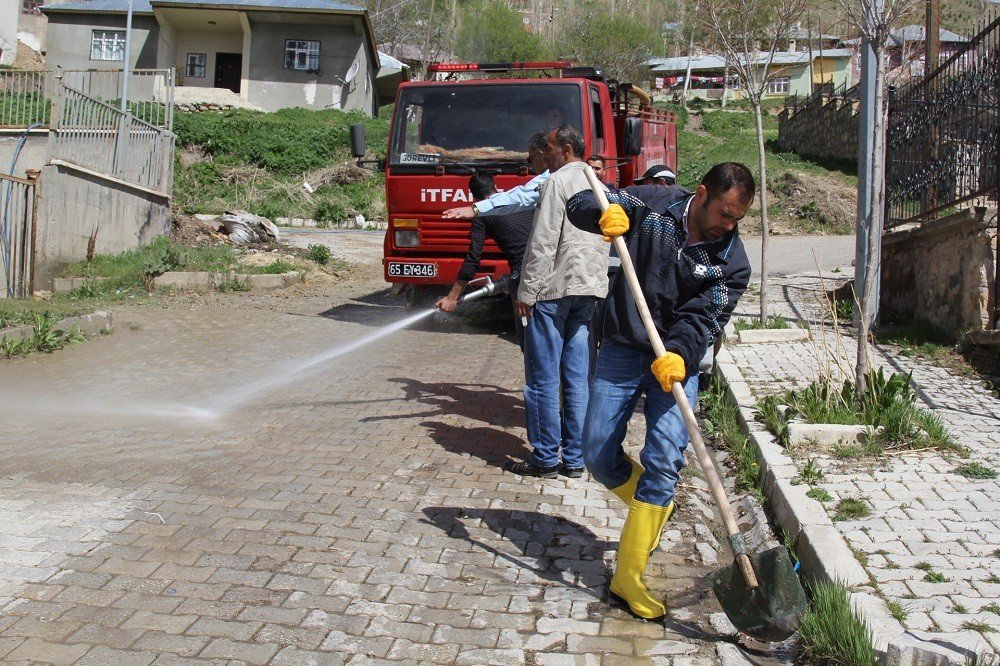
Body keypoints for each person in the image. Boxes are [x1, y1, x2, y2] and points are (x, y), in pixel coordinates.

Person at [566, 162, 754, 620]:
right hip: (624, 345)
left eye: (737, 219)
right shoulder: (653, 207)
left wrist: (679, 354)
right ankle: (650, 503)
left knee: (666, 457)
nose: (728, 225)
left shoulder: (732, 260)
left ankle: (628, 576)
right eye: (724, 213)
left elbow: (705, 318)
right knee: (594, 450)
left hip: (677, 361)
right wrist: (600, 215)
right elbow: (584, 201)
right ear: (703, 194)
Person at [511, 126, 610, 480]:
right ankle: (575, 459)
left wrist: (526, 293)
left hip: (553, 292)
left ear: (566, 149)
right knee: (577, 377)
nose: (545, 156)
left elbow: (543, 242)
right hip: (588, 291)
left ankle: (545, 457)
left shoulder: (558, 182)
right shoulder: (597, 181)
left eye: (549, 149)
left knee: (543, 377)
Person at [435, 173, 534, 328]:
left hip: (524, 275)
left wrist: (452, 297)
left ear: (474, 197)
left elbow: (473, 259)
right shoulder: (518, 200)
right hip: (549, 267)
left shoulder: (482, 213)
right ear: (495, 187)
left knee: (529, 335)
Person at [441, 132, 550, 219]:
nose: (530, 165)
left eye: (530, 159)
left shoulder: (550, 178)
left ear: (542, 155)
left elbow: (520, 197)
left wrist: (475, 209)